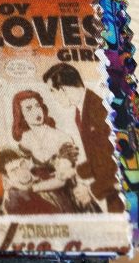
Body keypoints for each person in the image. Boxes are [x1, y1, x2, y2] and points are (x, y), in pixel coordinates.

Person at [43, 63, 126, 212]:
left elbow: (115, 162)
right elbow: (98, 157)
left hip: (120, 195)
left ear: (63, 89)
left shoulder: (98, 110)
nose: (53, 98)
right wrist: (75, 172)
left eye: (52, 91)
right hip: (111, 194)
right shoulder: (81, 110)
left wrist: (91, 191)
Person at [0, 149, 63, 215]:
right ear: (7, 177)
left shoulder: (40, 172)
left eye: (22, 164)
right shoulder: (14, 202)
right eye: (14, 170)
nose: (22, 171)